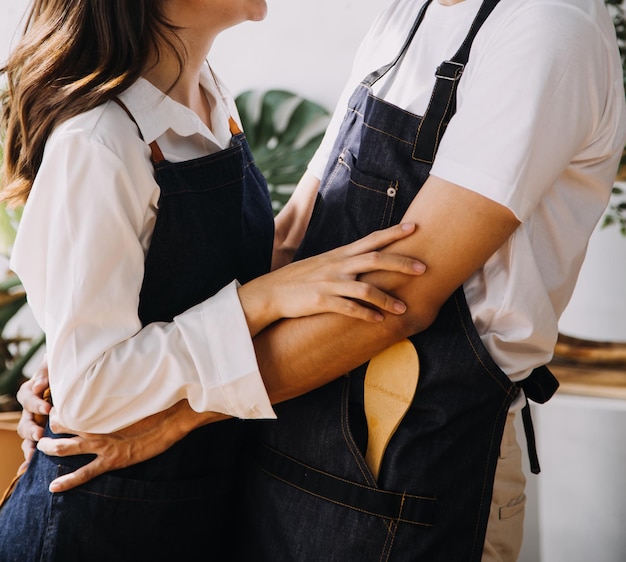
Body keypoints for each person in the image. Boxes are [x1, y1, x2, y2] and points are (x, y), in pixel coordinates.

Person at [14, 0, 626, 559]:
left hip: (410, 468)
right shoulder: (407, 15)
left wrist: (169, 412)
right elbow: (293, 238)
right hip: (279, 456)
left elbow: (400, 295)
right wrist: (98, 357)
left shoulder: (547, 28)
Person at [0, 1, 429, 560]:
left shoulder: (206, 96)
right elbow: (89, 394)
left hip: (187, 507)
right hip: (91, 525)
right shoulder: (100, 139)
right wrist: (260, 301)